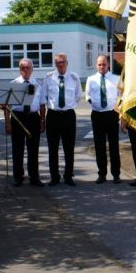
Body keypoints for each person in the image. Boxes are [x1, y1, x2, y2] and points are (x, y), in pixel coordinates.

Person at [6, 58, 46, 187]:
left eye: (28, 67)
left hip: (33, 117)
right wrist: (7, 123)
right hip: (17, 117)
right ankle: (18, 177)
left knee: (33, 149)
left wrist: (42, 120)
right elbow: (7, 106)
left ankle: (34, 177)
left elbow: (42, 104)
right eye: (23, 67)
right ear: (19, 69)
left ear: (32, 69)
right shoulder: (14, 84)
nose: (25, 70)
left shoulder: (38, 84)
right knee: (17, 149)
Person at [44, 53, 82, 186]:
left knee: (69, 148)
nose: (60, 64)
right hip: (53, 115)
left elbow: (78, 96)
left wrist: (68, 106)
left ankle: (68, 176)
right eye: (58, 62)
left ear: (67, 63)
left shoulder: (74, 78)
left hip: (68, 115)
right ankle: (54, 176)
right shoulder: (48, 77)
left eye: (63, 62)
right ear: (55, 64)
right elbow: (44, 96)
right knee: (53, 148)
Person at [86, 55, 121, 183]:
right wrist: (96, 105)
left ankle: (116, 174)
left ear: (108, 65)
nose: (102, 67)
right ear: (96, 65)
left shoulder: (116, 79)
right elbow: (88, 96)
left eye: (104, 64)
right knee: (99, 146)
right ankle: (102, 174)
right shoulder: (91, 79)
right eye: (99, 64)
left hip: (112, 114)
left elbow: (120, 96)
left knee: (113, 146)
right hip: (97, 115)